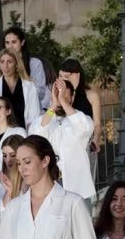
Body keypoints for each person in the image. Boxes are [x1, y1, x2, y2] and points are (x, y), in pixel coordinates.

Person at [29, 79, 95, 207]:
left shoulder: (82, 118)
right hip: (50, 185)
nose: (60, 100)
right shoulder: (42, 120)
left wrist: (63, 101)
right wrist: (53, 106)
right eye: (58, 95)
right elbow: (35, 137)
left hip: (78, 187)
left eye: (65, 96)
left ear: (72, 98)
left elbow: (84, 129)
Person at [0, 26, 47, 109]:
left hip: (29, 109)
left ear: (22, 42)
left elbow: (41, 92)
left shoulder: (34, 64)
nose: (10, 46)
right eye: (7, 42)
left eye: (14, 42)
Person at [0, 49, 40, 130]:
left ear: (16, 64)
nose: (5, 66)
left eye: (9, 62)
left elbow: (34, 115)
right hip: (0, 133)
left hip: (24, 133)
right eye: (2, 62)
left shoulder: (29, 86)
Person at [59, 58, 103, 154]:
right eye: (60, 76)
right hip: (64, 143)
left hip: (84, 143)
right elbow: (59, 116)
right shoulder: (59, 97)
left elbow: (97, 124)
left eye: (66, 76)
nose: (63, 80)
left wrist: (95, 140)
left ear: (77, 75)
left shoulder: (91, 96)